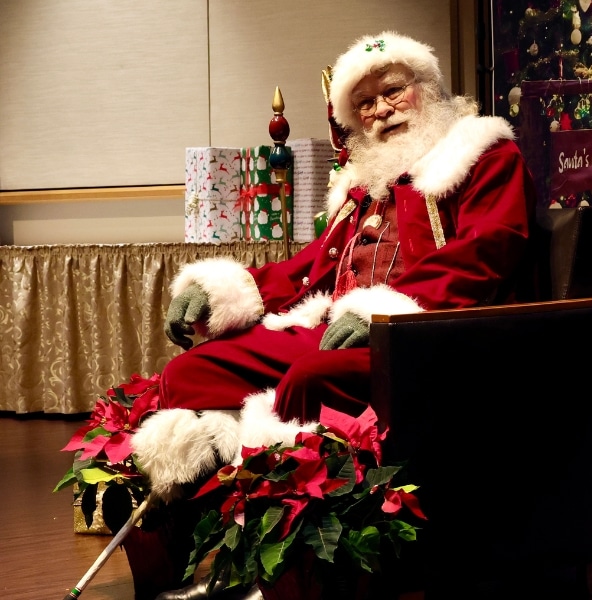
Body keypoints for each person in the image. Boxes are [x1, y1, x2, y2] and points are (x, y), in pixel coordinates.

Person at [135, 30, 540, 600]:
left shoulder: (483, 155)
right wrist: (224, 290)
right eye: (365, 104)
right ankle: (212, 536)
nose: (380, 111)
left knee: (308, 378)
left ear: (428, 89)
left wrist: (381, 312)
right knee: (188, 374)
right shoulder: (364, 184)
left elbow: (488, 251)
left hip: (428, 335)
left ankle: (283, 560)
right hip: (336, 330)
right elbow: (310, 269)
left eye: (393, 92)